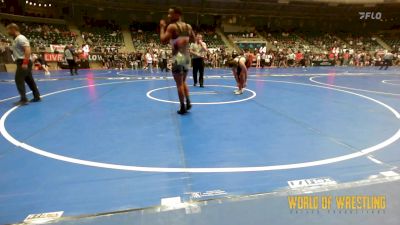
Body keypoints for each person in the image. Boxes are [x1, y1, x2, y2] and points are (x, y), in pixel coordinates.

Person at [160, 6, 195, 115]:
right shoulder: (188, 26)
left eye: (170, 14)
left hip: (178, 56)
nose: (168, 16)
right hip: (186, 57)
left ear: (177, 14)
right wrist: (183, 40)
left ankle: (183, 107)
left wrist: (162, 27)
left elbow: (163, 41)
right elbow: (193, 39)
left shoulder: (171, 27)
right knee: (183, 81)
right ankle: (188, 101)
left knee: (179, 84)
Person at [6, 23, 41, 105]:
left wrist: (25, 63)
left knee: (18, 80)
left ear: (13, 29)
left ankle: (23, 99)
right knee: (29, 80)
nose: (8, 32)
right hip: (21, 61)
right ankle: (37, 96)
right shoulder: (16, 39)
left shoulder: (21, 38)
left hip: (23, 61)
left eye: (8, 30)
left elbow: (28, 50)